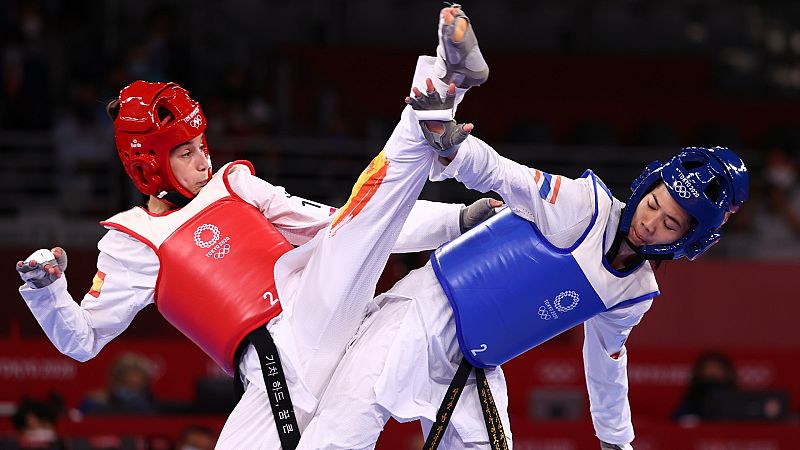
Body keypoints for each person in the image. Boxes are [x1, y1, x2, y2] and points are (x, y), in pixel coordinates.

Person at [14, 11, 488, 448]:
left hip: (314, 305)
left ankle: (446, 78)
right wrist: (48, 291)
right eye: (185, 153)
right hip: (273, 377)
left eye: (202, 145)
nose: (204, 161)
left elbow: (332, 220)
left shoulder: (233, 183)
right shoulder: (132, 241)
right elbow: (81, 341)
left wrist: (453, 221)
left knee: (359, 218)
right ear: (148, 166)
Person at [298, 7, 750, 450]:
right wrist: (456, 149)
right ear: (645, 186)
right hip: (421, 314)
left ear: (687, 241)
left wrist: (616, 441)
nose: (650, 222)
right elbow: (505, 176)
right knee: (339, 437)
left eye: (669, 223)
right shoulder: (582, 207)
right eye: (653, 204)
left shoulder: (631, 294)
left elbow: (606, 361)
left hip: (476, 363)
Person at [79, 352, 158, 415]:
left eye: (138, 376)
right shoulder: (94, 403)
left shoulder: (151, 407)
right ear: (117, 378)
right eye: (128, 375)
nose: (133, 380)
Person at [673, 351, 738, 422]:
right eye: (708, 368)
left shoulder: (736, 397)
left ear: (727, 372)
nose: (713, 372)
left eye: (717, 368)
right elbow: (677, 420)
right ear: (699, 372)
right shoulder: (693, 398)